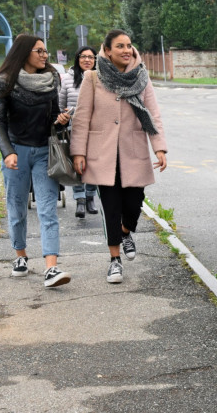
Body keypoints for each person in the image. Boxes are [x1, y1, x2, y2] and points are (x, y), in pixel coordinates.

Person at [70, 29, 167, 284]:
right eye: (120, 46)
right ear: (108, 50)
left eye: (129, 45)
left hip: (133, 152)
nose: (127, 50)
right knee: (111, 208)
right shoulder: (92, 78)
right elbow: (81, 118)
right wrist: (78, 152)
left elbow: (153, 115)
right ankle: (115, 261)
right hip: (102, 155)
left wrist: (159, 148)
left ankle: (126, 232)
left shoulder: (142, 78)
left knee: (134, 204)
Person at [0, 34, 72, 288]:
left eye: (46, 51)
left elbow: (53, 115)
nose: (45, 55)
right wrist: (7, 151)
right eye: (39, 51)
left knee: (47, 208)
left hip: (45, 151)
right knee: (17, 207)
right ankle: (20, 257)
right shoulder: (6, 82)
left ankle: (51, 268)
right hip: (17, 153)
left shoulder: (51, 80)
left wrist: (60, 120)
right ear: (24, 53)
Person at [59, 46, 99, 218]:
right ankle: (80, 200)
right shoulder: (67, 79)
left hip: (96, 131)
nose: (87, 60)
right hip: (73, 129)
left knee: (95, 166)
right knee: (77, 166)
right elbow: (61, 105)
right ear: (77, 58)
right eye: (83, 57)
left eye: (91, 57)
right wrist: (65, 115)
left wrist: (76, 109)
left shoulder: (101, 78)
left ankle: (90, 197)